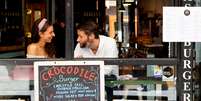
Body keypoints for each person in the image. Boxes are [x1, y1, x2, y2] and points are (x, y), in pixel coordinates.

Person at [74, 20, 118, 101]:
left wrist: (84, 70)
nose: (77, 39)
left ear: (91, 36)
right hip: (86, 88)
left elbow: (107, 70)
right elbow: (75, 69)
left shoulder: (110, 43)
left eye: (80, 36)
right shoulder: (79, 46)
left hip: (109, 87)